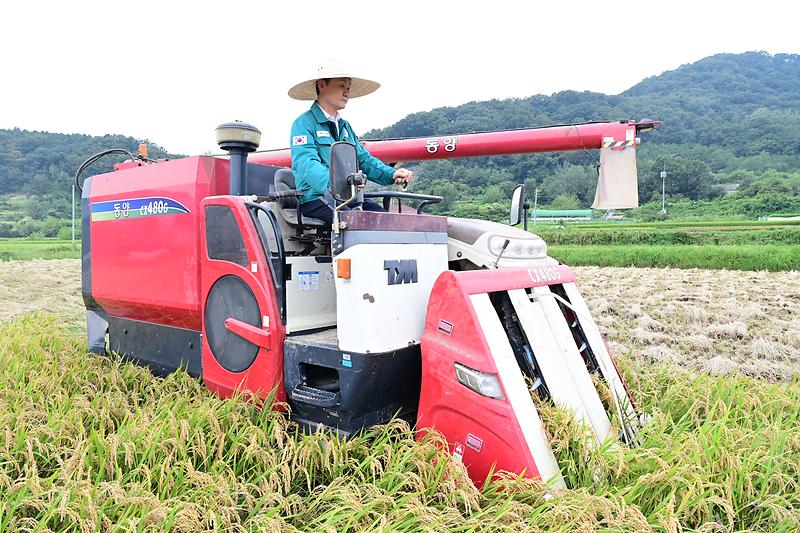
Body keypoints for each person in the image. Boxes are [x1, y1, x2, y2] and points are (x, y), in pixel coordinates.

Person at [288, 60, 413, 225]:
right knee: (356, 222)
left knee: (387, 220)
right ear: (322, 85)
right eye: (341, 86)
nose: (346, 92)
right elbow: (306, 164)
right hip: (316, 199)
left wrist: (391, 174)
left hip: (348, 198)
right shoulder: (303, 123)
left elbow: (364, 159)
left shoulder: (344, 127)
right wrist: (337, 185)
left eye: (348, 88)